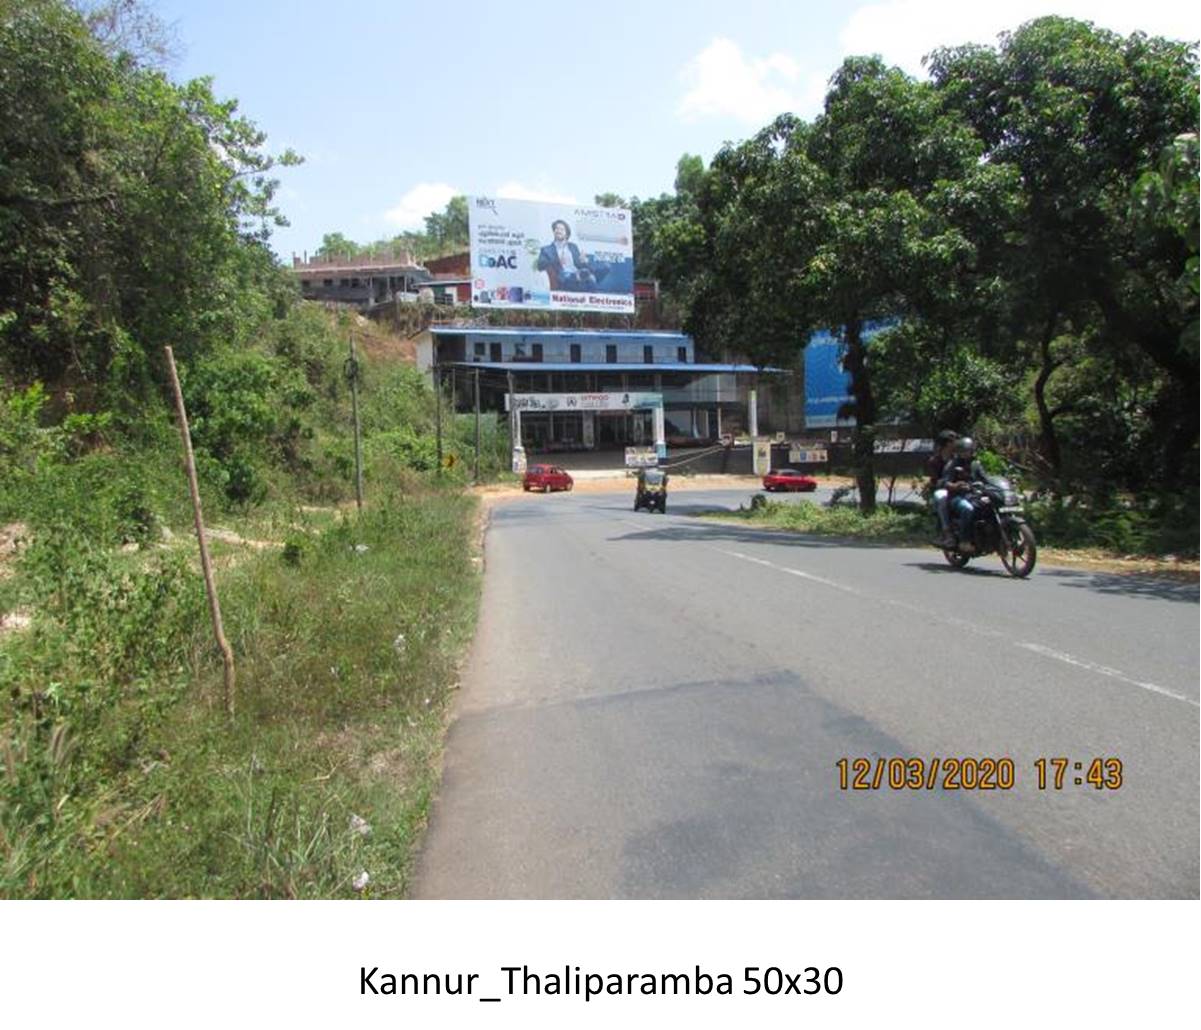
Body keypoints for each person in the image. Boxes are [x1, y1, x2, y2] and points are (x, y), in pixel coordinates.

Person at [938, 436, 987, 552]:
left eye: (969, 450)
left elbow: (986, 479)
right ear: (959, 452)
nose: (967, 453)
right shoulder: (953, 464)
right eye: (964, 451)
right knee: (967, 509)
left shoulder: (976, 464)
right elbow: (944, 482)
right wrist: (955, 486)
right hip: (956, 497)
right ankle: (965, 541)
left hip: (974, 495)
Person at [536, 220, 599, 291]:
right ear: (554, 232)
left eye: (561, 229)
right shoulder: (546, 249)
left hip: (578, 274)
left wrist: (584, 261)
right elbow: (540, 265)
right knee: (571, 277)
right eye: (556, 228)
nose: (558, 231)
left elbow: (579, 265)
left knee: (592, 278)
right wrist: (557, 261)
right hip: (562, 277)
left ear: (566, 234)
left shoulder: (573, 247)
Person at [926, 429, 958, 546]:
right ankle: (946, 532)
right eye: (954, 440)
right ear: (948, 443)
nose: (957, 442)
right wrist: (947, 484)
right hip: (942, 489)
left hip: (960, 488)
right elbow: (934, 481)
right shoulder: (934, 461)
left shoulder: (959, 458)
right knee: (942, 497)